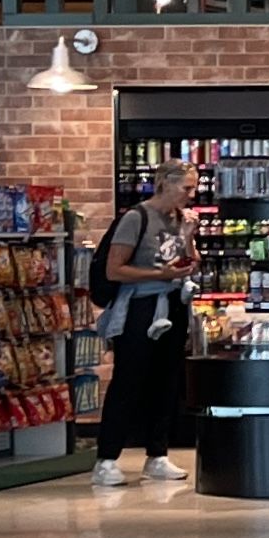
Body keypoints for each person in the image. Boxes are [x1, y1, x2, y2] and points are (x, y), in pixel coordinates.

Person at [90, 169, 195, 486]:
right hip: (139, 307)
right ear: (166, 184)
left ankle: (157, 454)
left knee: (167, 381)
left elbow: (188, 262)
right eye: (186, 187)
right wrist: (160, 276)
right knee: (128, 380)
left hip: (172, 304)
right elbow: (114, 270)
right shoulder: (137, 218)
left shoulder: (179, 219)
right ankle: (107, 459)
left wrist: (189, 236)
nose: (191, 194)